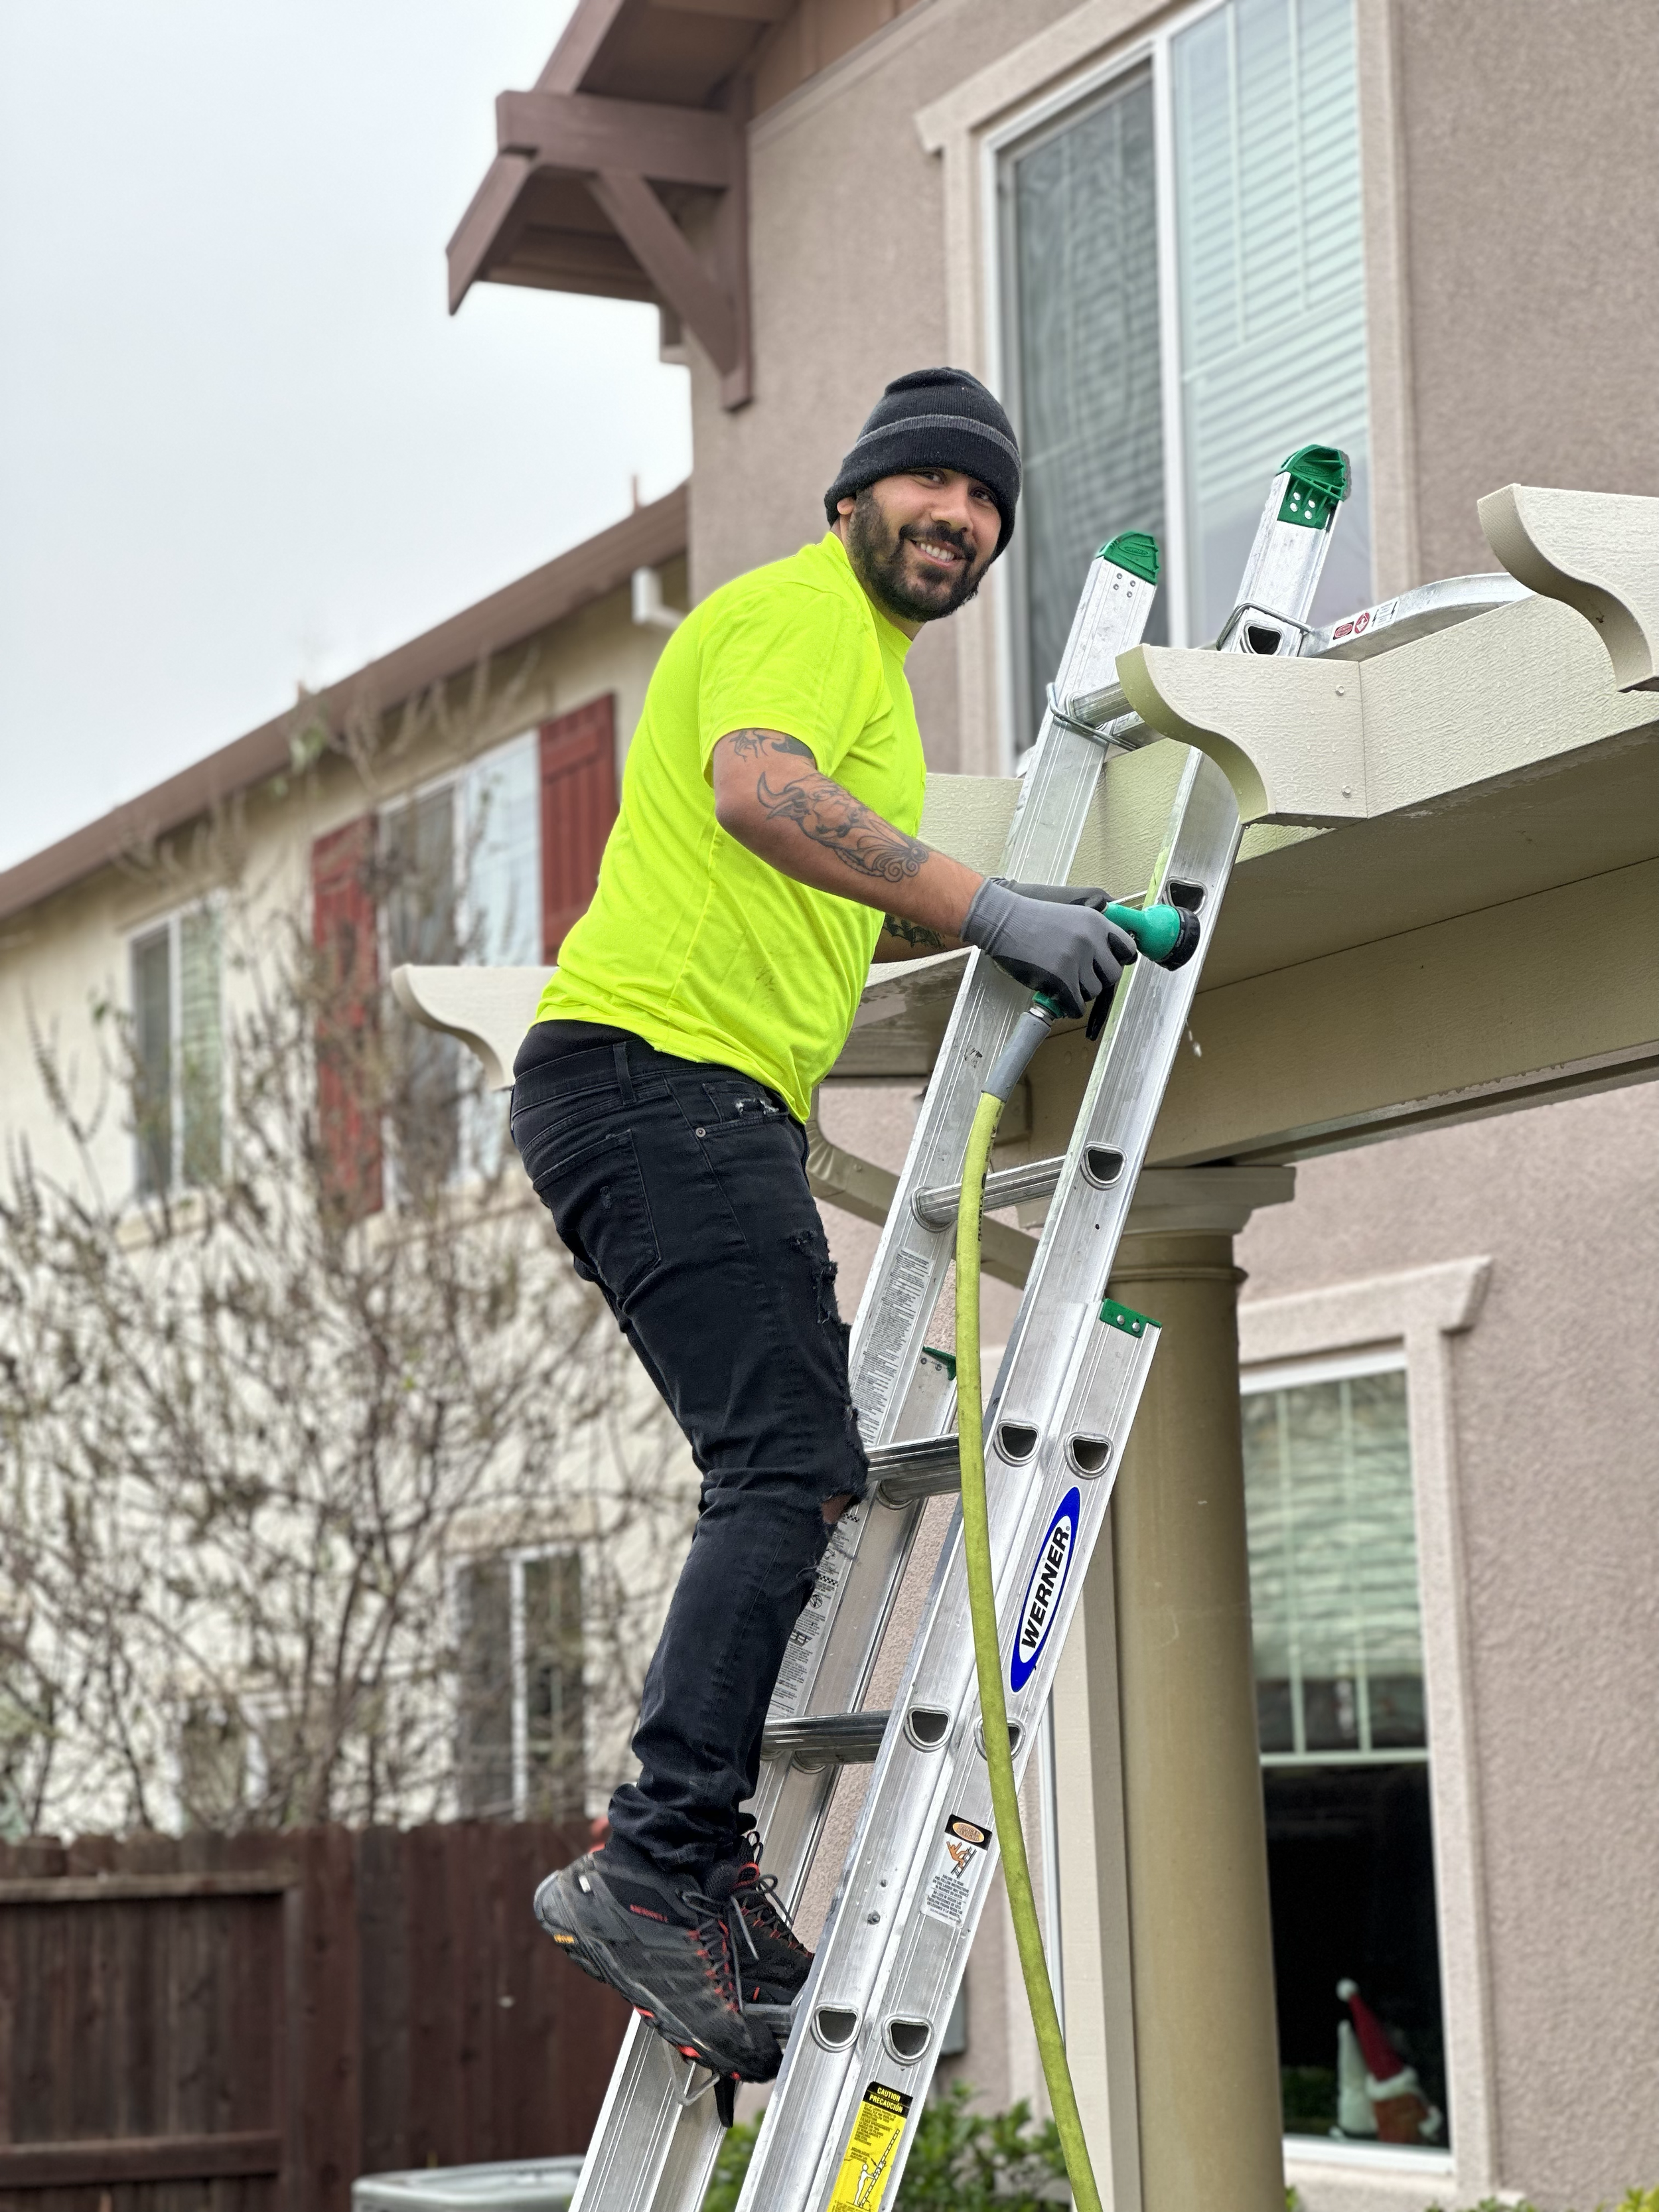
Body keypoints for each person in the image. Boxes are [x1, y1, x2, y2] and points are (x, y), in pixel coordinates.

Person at [510, 368, 1138, 2085]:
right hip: (662, 1081)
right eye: (930, 482)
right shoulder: (793, 615)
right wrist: (995, 898)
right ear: (857, 494)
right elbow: (759, 792)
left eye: (986, 504)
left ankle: (693, 1874)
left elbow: (828, 877)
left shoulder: (859, 671)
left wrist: (999, 921)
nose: (959, 519)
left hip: (674, 1095)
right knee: (785, 1465)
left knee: (788, 1462)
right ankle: (658, 1856)